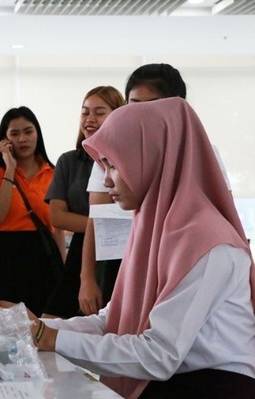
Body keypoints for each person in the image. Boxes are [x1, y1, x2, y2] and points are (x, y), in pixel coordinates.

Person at [31, 98, 255, 399]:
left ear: (152, 158)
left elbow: (159, 353)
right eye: (104, 165)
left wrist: (51, 338)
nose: (107, 181)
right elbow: (115, 320)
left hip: (212, 386)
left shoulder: (209, 243)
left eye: (114, 165)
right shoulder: (154, 228)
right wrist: (31, 327)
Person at [78, 63, 231, 315]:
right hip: (128, 254)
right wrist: (87, 277)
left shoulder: (207, 245)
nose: (141, 114)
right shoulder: (114, 154)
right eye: (134, 105)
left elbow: (159, 349)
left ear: (177, 106)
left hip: (182, 254)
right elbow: (96, 220)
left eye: (153, 105)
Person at [42, 86, 124, 319]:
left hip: (118, 250)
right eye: (85, 112)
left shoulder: (124, 156)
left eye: (99, 112)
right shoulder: (69, 160)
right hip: (82, 250)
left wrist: (104, 220)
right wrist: (100, 220)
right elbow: (57, 217)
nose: (90, 119)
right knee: (52, 321)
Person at [0, 106, 65, 317]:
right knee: (5, 323)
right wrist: (9, 168)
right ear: (4, 140)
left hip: (44, 253)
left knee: (46, 323)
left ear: (37, 134)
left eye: (28, 131)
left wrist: (63, 269)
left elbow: (57, 227)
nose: (22, 139)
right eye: (14, 134)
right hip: (6, 255)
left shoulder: (52, 172)